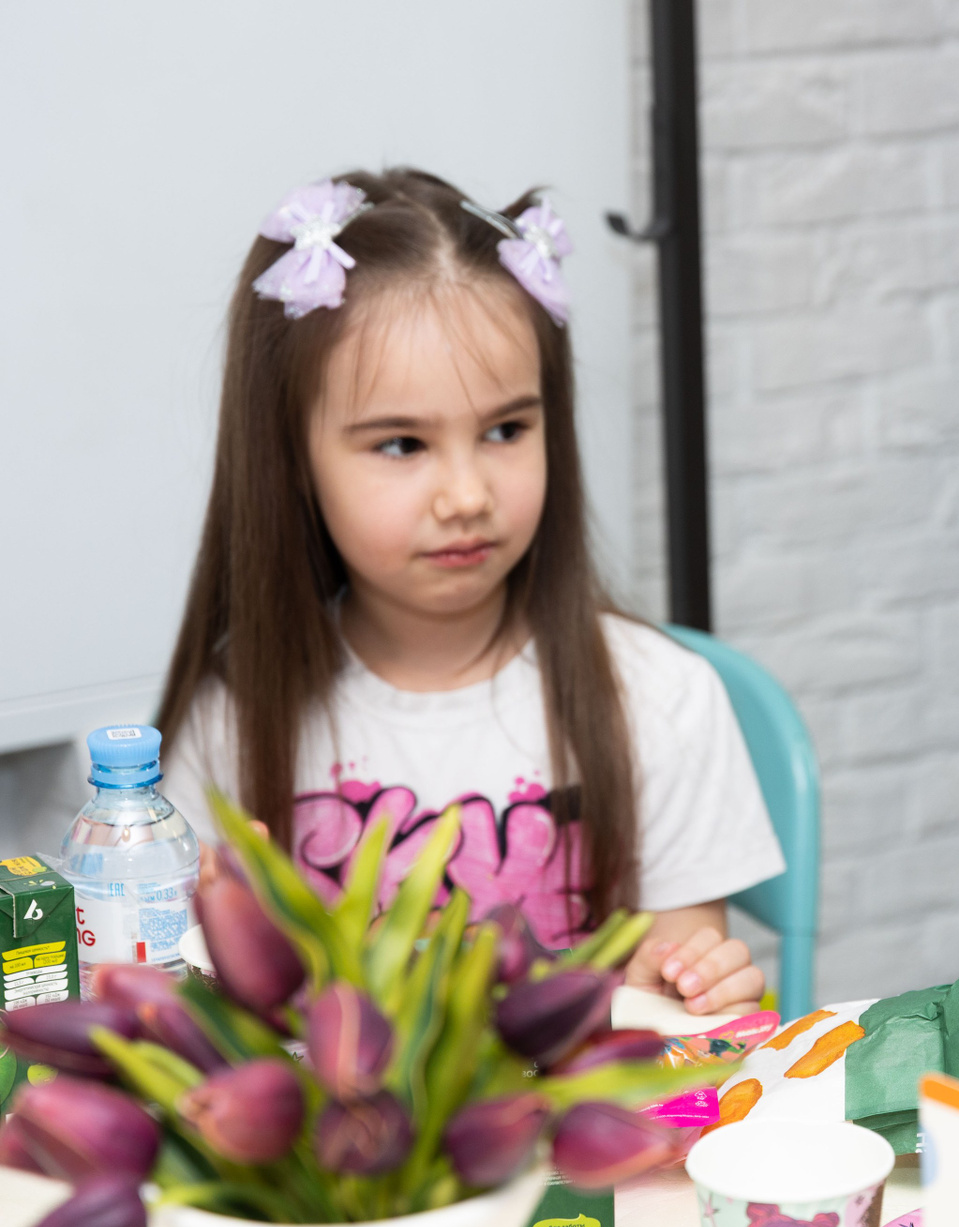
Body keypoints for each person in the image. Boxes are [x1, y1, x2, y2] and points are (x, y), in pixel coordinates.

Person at [157, 169, 780, 1015]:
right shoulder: (233, 716)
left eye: (505, 429)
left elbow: (696, 1025)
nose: (466, 496)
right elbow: (193, 1026)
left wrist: (681, 996)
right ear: (293, 462)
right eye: (402, 445)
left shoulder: (661, 700)